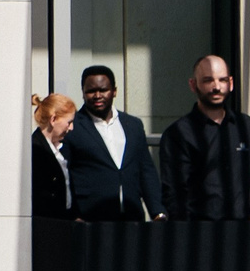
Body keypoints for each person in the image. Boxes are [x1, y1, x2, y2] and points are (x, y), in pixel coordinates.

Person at [159, 54, 250, 221]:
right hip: (200, 234)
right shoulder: (179, 134)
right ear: (193, 85)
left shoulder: (246, 127)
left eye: (222, 80)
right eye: (208, 80)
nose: (216, 87)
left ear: (231, 83)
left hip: (247, 231)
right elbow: (174, 193)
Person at [57, 65, 162, 221]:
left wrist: (157, 212)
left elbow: (146, 170)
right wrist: (73, 215)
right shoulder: (72, 127)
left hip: (131, 216)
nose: (97, 95)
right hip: (90, 219)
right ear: (83, 94)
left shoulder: (133, 125)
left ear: (114, 91)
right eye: (91, 91)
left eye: (103, 90)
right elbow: (63, 175)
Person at [29, 93, 77, 221]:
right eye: (69, 122)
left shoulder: (63, 148)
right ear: (53, 119)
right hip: (47, 226)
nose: (71, 128)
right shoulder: (36, 151)